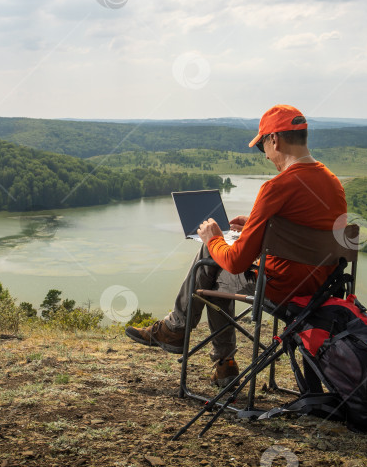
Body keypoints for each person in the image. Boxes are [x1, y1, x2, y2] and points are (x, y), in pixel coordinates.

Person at [125, 104, 347, 387]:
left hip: (281, 289)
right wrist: (258, 228)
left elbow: (237, 262)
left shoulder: (277, 186)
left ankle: (181, 332)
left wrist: (213, 238)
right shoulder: (333, 182)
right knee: (217, 270)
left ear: (275, 140)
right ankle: (216, 358)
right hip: (321, 288)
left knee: (213, 264)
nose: (265, 155)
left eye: (262, 147)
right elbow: (304, 229)